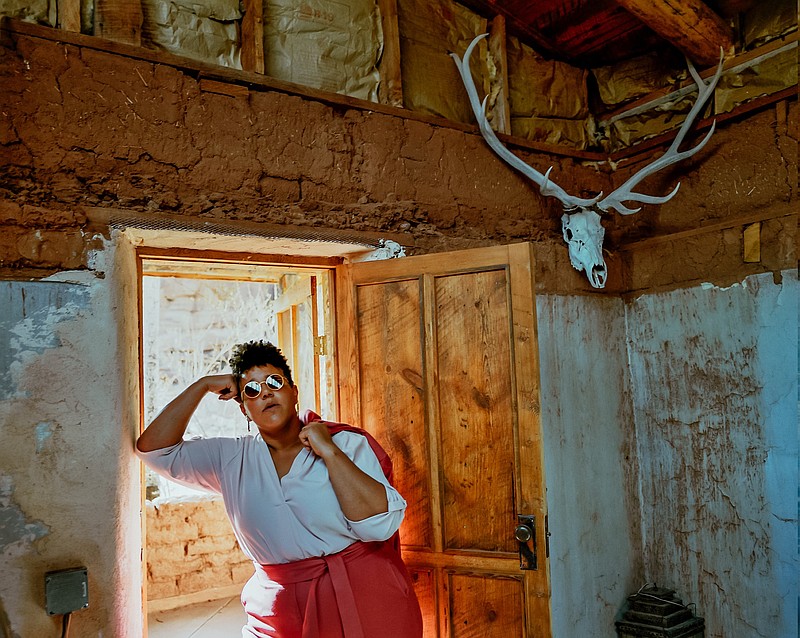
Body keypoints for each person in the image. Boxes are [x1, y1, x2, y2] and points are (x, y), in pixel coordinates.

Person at [136, 340, 423, 638]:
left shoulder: (346, 444)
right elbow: (154, 451)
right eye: (252, 390)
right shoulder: (231, 458)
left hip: (366, 599)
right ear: (245, 410)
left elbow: (378, 527)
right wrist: (203, 385)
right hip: (278, 613)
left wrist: (329, 452)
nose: (266, 392)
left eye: (274, 381)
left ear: (294, 392)